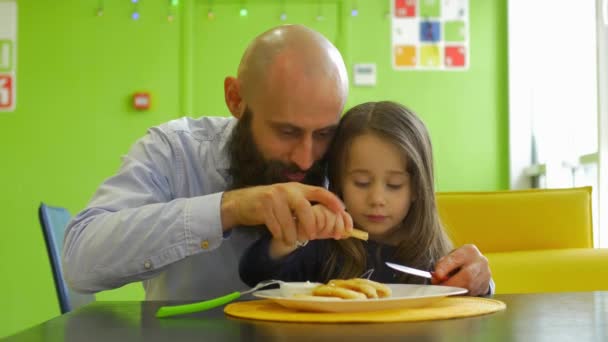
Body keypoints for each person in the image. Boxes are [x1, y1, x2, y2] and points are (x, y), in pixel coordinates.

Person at [62, 24, 353, 300]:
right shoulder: (176, 151)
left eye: (324, 133)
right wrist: (228, 209)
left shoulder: (348, 159)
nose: (305, 159)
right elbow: (80, 263)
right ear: (235, 99)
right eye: (286, 132)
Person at [240, 101, 493, 296]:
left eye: (394, 185)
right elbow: (254, 274)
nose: (377, 199)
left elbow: (467, 306)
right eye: (361, 183)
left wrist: (481, 283)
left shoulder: (432, 259)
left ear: (417, 188)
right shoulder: (323, 244)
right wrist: (294, 235)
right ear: (338, 181)